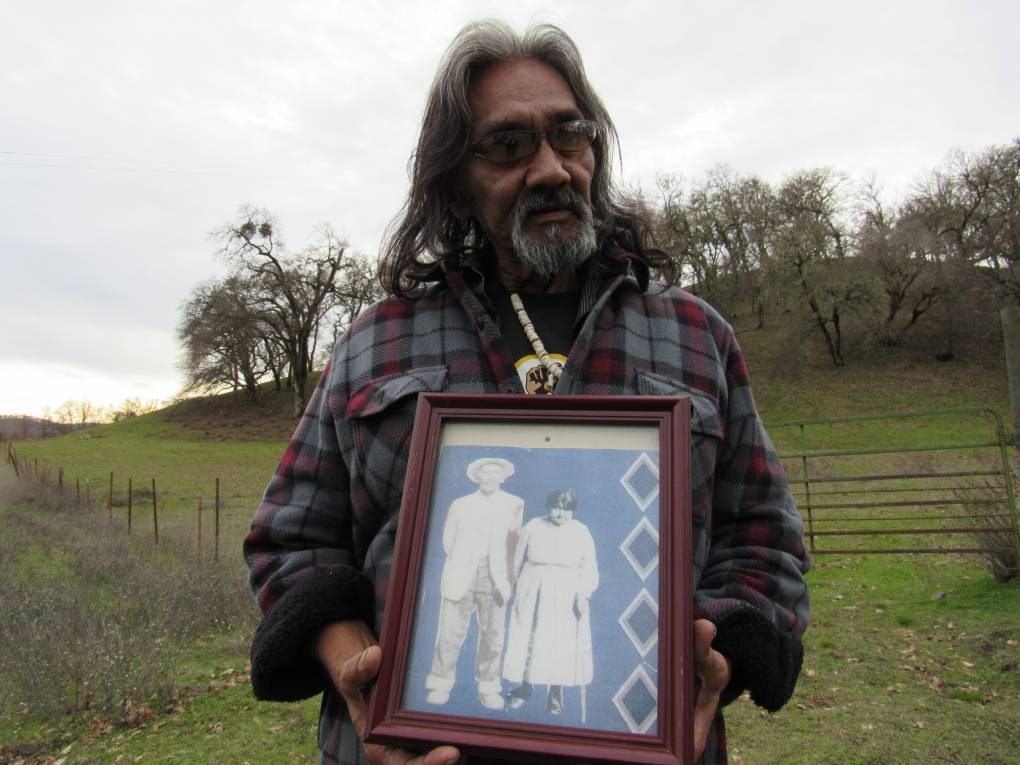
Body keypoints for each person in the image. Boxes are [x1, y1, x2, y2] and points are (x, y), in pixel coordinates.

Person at [244, 19, 810, 765]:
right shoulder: (375, 344)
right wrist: (360, 676)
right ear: (453, 184)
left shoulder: (695, 336)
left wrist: (713, 661)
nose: (549, 167)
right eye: (508, 146)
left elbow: (762, 543)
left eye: (569, 135)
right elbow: (292, 539)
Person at [425, 457, 523, 710]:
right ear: (477, 477)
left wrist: (506, 577)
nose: (490, 478)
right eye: (485, 473)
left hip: (497, 577)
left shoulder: (514, 504)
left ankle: (489, 688)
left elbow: (515, 544)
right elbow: (449, 540)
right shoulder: (460, 505)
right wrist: (465, 560)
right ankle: (440, 684)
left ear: (503, 477)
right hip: (462, 574)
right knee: (449, 632)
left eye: (495, 474)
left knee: (494, 636)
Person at [502, 489, 597, 717]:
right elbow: (517, 560)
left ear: (572, 511)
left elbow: (589, 567)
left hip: (566, 592)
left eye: (566, 509)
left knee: (560, 643)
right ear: (548, 507)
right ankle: (525, 687)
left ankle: (556, 692)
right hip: (532, 588)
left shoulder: (581, 532)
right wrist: (516, 590)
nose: (560, 514)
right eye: (556, 508)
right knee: (529, 638)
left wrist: (583, 594)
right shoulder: (533, 526)